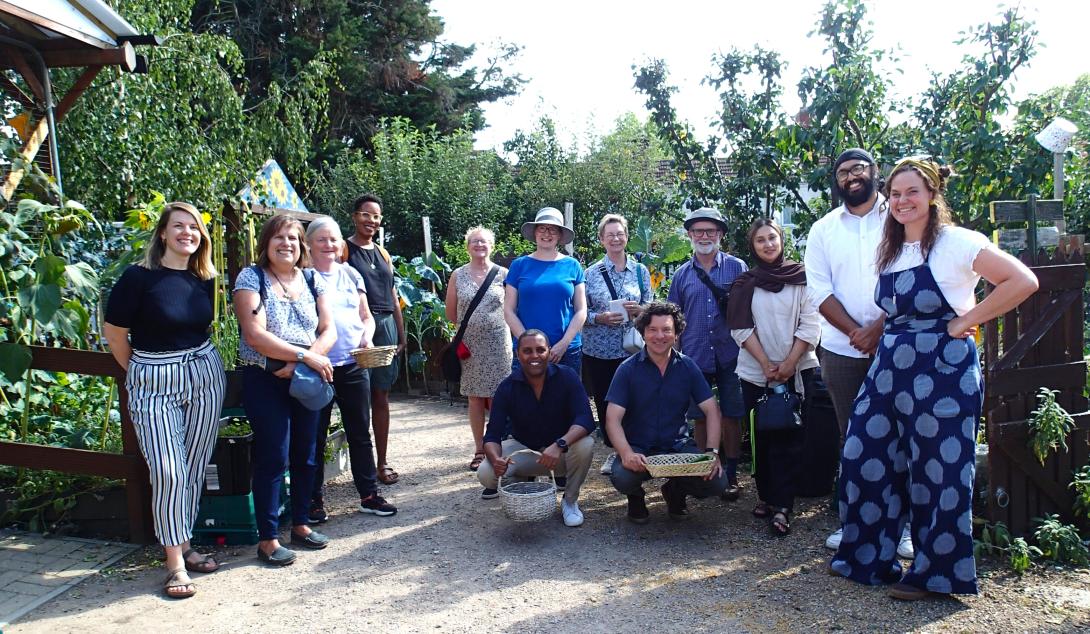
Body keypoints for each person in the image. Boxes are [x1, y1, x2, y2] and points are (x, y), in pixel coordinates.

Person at [828, 156, 1038, 600]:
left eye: (913, 192)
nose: (902, 201)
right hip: (890, 368)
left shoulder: (959, 242)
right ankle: (867, 556)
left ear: (932, 195)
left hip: (943, 370)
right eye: (896, 193)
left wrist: (966, 321)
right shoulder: (891, 248)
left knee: (938, 471)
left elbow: (1022, 281)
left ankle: (935, 575)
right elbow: (895, 310)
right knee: (865, 455)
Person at [103, 201, 226, 598]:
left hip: (204, 373)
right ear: (162, 233)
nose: (187, 233)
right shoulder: (137, 278)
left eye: (194, 228)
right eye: (179, 226)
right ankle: (174, 564)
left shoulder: (202, 277)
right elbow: (115, 335)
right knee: (168, 470)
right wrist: (143, 373)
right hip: (155, 378)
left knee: (192, 466)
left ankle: (184, 544)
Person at [804, 148, 913, 557]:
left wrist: (879, 328)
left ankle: (902, 529)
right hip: (841, 349)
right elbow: (819, 290)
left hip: (900, 341)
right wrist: (855, 332)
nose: (851, 176)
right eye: (843, 171)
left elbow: (915, 274)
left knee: (902, 435)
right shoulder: (823, 229)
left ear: (875, 172)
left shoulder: (901, 216)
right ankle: (856, 524)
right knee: (854, 438)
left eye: (858, 168)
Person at [234, 214, 336, 566]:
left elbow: (329, 330)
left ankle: (302, 525)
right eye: (279, 237)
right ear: (266, 243)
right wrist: (301, 356)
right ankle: (268, 538)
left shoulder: (311, 279)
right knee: (273, 455)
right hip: (266, 378)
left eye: (293, 238)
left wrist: (303, 363)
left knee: (307, 453)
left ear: (301, 246)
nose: (287, 244)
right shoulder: (251, 278)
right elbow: (254, 335)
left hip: (305, 377)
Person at [725, 218, 819, 536]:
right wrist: (767, 364)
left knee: (789, 437)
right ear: (753, 246)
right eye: (760, 240)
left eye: (773, 238)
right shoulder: (745, 282)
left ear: (781, 240)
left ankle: (782, 506)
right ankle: (765, 495)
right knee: (762, 436)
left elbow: (811, 322)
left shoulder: (802, 278)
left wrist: (790, 363)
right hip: (755, 372)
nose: (768, 244)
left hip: (797, 369)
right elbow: (740, 327)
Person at [304, 216, 397, 521]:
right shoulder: (302, 278)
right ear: (309, 243)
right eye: (322, 239)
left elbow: (365, 316)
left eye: (333, 239)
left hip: (353, 364)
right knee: (314, 435)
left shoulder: (351, 274)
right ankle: (313, 500)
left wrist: (366, 336)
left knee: (359, 432)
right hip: (319, 367)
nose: (329, 245)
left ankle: (368, 494)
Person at [605, 301, 730, 523]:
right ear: (643, 333)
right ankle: (635, 497)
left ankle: (675, 490)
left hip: (678, 446)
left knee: (716, 482)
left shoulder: (688, 367)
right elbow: (612, 419)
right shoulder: (627, 369)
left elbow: (711, 410)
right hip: (638, 447)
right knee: (622, 477)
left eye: (666, 330)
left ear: (677, 333)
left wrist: (712, 452)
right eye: (652, 330)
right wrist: (625, 453)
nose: (659, 336)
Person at [666, 207, 747, 500]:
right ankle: (701, 471)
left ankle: (732, 473)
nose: (704, 236)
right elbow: (672, 319)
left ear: (720, 235)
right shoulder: (681, 275)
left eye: (710, 231)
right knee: (699, 416)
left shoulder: (737, 268)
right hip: (695, 356)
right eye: (698, 231)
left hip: (732, 354)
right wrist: (673, 358)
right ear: (689, 235)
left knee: (732, 415)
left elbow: (750, 308)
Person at [478, 330, 595, 527]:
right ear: (518, 354)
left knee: (586, 444)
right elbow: (493, 434)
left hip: (560, 454)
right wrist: (496, 459)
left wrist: (559, 445)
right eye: (527, 351)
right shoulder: (507, 387)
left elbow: (585, 419)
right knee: (486, 473)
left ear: (549, 352)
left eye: (540, 350)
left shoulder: (567, 377)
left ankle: (570, 501)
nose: (534, 356)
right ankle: (525, 483)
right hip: (526, 449)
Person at [346, 194, 406, 486]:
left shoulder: (383, 254)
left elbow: (393, 297)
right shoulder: (344, 250)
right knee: (356, 399)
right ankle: (364, 467)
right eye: (366, 215)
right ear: (355, 216)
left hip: (385, 326)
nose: (372, 221)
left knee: (381, 396)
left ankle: (381, 462)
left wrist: (401, 332)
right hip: (356, 328)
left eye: (376, 216)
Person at [444, 226, 512, 474]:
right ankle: (479, 450)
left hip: (499, 344)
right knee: (474, 398)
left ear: (492, 245)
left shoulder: (504, 274)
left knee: (499, 397)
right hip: (470, 346)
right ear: (467, 246)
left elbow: (513, 308)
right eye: (474, 241)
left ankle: (498, 446)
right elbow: (451, 314)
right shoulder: (457, 275)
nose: (479, 245)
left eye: (483, 241)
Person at [582, 214, 653, 435]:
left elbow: (651, 307)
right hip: (599, 352)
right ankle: (613, 447)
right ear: (601, 239)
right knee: (605, 402)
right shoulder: (590, 273)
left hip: (633, 350)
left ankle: (633, 447)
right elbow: (580, 313)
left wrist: (639, 311)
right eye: (610, 235)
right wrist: (599, 318)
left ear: (627, 237)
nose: (615, 239)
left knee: (635, 400)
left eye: (620, 234)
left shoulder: (640, 271)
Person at [503, 207, 587, 375]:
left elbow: (581, 310)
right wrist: (527, 343)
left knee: (565, 400)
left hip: (565, 351)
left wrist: (564, 343)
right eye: (542, 228)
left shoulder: (573, 266)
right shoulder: (519, 265)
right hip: (527, 351)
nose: (547, 233)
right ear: (535, 232)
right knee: (526, 400)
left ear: (560, 236)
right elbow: (508, 310)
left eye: (553, 230)